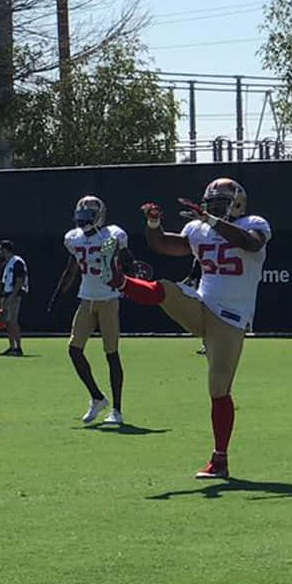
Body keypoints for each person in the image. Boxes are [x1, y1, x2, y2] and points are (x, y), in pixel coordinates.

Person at [108, 178, 270, 479]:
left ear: (237, 203)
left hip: (231, 318)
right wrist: (154, 224)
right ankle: (121, 282)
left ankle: (219, 460)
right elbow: (166, 245)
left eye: (221, 203)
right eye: (211, 203)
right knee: (166, 289)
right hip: (201, 305)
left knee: (218, 389)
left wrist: (210, 219)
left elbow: (251, 243)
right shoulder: (199, 229)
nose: (213, 208)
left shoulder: (254, 223)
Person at [48, 195, 131, 426]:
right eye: (81, 216)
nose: (83, 221)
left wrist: (129, 277)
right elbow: (71, 269)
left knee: (111, 354)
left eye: (88, 216)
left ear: (99, 216)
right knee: (74, 349)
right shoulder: (73, 238)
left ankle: (117, 409)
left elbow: (125, 260)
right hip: (86, 299)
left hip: (108, 298)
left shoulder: (113, 234)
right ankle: (97, 397)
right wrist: (58, 295)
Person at [0, 240, 27, 357]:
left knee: (13, 321)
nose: (0, 252)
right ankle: (11, 347)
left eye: (1, 249)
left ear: (6, 249)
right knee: (7, 322)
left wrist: (12, 296)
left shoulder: (17, 262)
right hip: (6, 294)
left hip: (15, 295)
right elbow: (0, 283)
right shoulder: (5, 264)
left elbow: (19, 281)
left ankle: (18, 347)